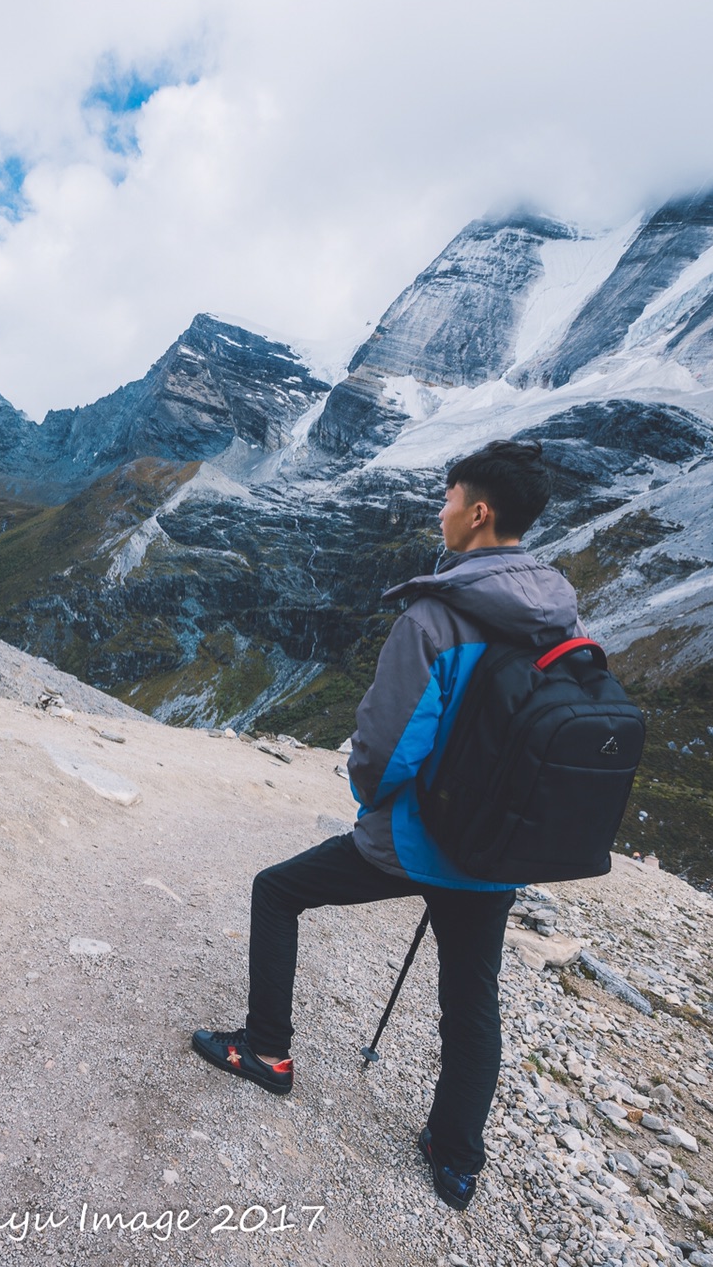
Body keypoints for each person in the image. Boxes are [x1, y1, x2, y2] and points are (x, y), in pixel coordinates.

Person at [190, 439, 577, 1212]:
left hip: (416, 839)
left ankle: (267, 1049)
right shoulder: (559, 612)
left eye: (448, 498)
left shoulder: (437, 615)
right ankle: (456, 1157)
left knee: (279, 890)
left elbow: (384, 750)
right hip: (498, 846)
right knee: (472, 1000)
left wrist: (373, 800)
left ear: (477, 512)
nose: (440, 512)